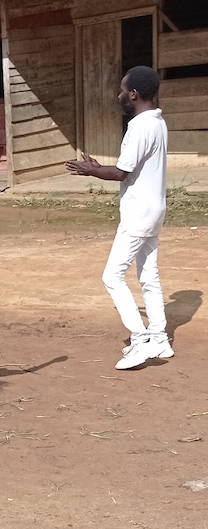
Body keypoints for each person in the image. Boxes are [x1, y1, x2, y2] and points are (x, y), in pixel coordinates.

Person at [66, 65, 171, 370]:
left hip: (138, 213)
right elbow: (131, 168)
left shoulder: (139, 126)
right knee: (148, 276)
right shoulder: (158, 123)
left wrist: (91, 170)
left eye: (123, 89)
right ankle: (159, 338)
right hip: (155, 210)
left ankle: (139, 340)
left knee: (112, 276)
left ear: (134, 94)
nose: (119, 94)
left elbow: (123, 172)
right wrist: (99, 168)